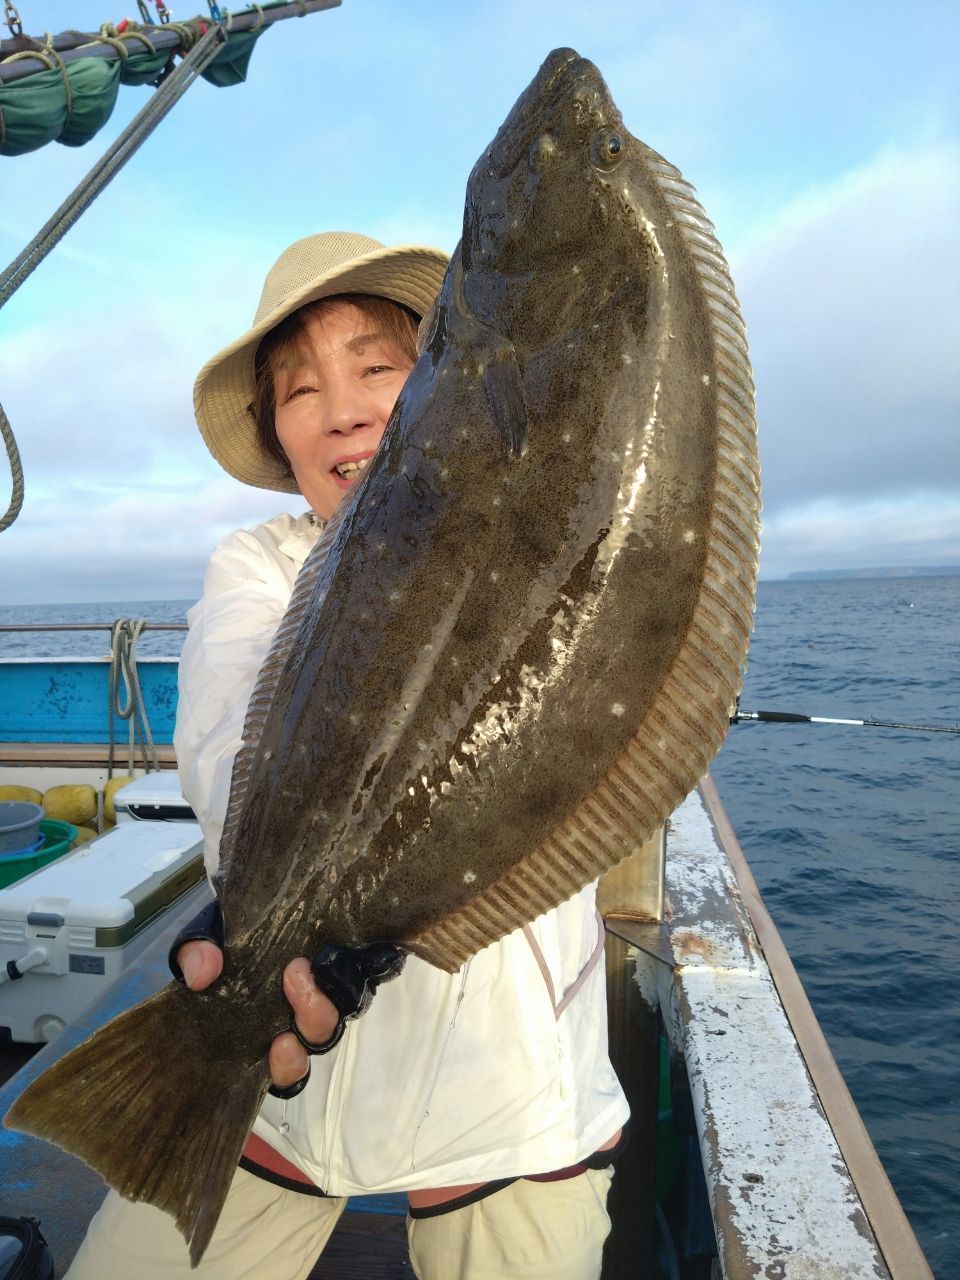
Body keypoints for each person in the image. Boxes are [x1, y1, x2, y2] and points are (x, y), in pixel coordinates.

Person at [66, 232, 629, 1280]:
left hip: (511, 1087)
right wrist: (278, 880)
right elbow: (226, 742)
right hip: (289, 1075)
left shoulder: (540, 539)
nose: (344, 407)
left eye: (380, 366)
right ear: (278, 436)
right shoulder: (258, 565)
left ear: (447, 382)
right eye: (299, 389)